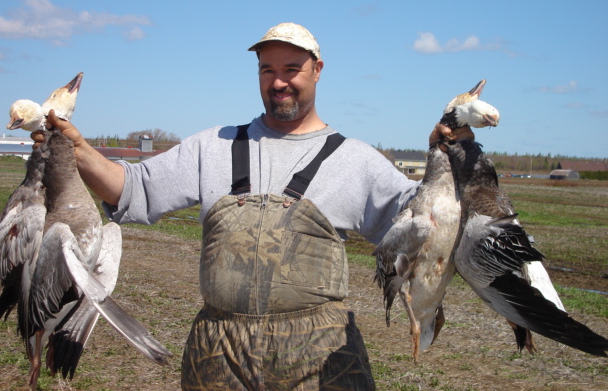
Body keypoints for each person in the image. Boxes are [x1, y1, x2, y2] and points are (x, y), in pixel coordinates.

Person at [36, 23, 466, 390]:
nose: (278, 82)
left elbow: (430, 221)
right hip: (217, 359)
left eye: (291, 69)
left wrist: (449, 162)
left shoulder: (356, 161)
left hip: (318, 365)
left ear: (318, 71)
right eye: (267, 70)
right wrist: (77, 149)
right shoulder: (214, 146)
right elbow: (130, 188)